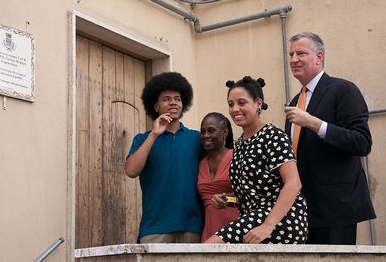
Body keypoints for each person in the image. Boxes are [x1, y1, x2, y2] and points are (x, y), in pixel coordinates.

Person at [284, 32, 376, 244]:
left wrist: (314, 123)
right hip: (303, 210)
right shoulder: (296, 100)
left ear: (319, 56)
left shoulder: (343, 89)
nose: (293, 59)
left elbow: (362, 142)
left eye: (301, 53)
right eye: (291, 54)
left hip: (336, 208)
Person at [205, 76, 308, 244]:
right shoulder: (239, 145)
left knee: (207, 248)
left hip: (282, 220)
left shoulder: (272, 136)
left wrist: (268, 225)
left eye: (241, 103)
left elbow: (294, 183)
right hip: (255, 218)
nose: (235, 109)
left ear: (258, 103)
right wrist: (228, 199)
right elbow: (253, 194)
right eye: (231, 104)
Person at [124, 72, 203, 243]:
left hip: (192, 226)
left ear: (183, 104)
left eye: (178, 98)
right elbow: (131, 171)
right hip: (155, 227)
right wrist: (154, 134)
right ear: (155, 106)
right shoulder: (143, 139)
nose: (173, 102)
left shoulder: (196, 138)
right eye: (166, 99)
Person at [197, 112, 239, 242]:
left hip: (235, 227)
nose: (205, 136)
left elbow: (250, 197)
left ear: (224, 133)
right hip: (210, 229)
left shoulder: (237, 157)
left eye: (211, 131)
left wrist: (228, 200)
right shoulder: (201, 163)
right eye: (203, 132)